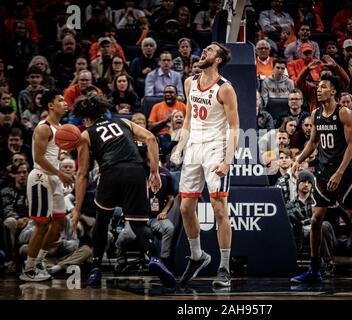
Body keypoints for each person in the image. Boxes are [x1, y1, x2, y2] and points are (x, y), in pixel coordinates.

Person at [70, 94, 175, 287]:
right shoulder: (123, 122)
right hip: (135, 172)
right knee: (139, 225)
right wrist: (154, 172)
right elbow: (151, 138)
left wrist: (77, 209)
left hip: (110, 173)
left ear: (85, 118)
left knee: (102, 223)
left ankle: (95, 269)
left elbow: (82, 174)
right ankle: (154, 258)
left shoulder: (86, 134)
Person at [290, 75, 352, 285]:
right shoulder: (317, 113)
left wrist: (339, 172)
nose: (319, 90)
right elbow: (312, 143)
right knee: (316, 219)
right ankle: (315, 268)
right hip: (324, 173)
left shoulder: (343, 113)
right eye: (318, 87)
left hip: (345, 174)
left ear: (333, 91)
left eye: (323, 87)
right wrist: (298, 160)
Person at [170, 42, 239, 287]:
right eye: (205, 49)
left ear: (218, 59)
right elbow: (187, 119)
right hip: (194, 148)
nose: (204, 52)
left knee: (219, 208)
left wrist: (227, 161)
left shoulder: (225, 88)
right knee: (186, 207)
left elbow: (234, 127)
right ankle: (198, 256)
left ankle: (224, 268)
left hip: (216, 148)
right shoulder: (189, 83)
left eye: (209, 50)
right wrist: (179, 148)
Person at [20, 90, 73, 282]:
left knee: (58, 222)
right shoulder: (44, 128)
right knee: (42, 224)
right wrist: (60, 173)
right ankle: (28, 268)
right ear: (50, 105)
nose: (65, 103)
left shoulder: (61, 127)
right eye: (60, 100)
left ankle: (40, 261)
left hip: (55, 178)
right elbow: (39, 158)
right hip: (41, 177)